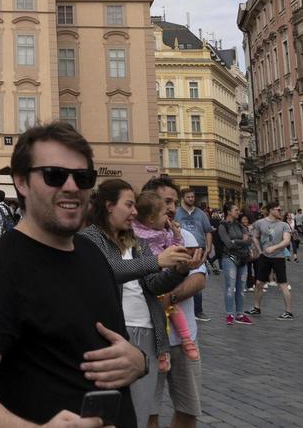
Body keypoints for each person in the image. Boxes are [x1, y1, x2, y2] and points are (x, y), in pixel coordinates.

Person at [0, 122, 145, 428]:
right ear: (22, 182)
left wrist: (139, 361)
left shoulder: (93, 254)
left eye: (82, 177)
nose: (71, 186)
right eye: (54, 175)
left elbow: (112, 346)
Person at [83, 179, 192, 425]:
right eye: (129, 205)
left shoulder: (136, 240)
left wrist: (179, 270)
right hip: (114, 332)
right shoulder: (91, 238)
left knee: (141, 412)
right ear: (110, 206)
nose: (135, 211)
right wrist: (157, 261)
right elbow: (108, 270)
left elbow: (153, 285)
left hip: (148, 330)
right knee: (112, 412)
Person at [144, 176, 207, 428]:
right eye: (165, 201)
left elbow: (198, 280)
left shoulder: (185, 237)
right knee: (148, 411)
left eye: (173, 201)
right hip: (147, 341)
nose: (171, 207)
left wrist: (168, 297)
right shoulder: (136, 241)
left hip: (184, 339)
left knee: (189, 410)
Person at [248, 203, 294, 320]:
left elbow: (287, 240)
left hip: (278, 258)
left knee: (283, 285)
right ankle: (256, 307)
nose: (281, 212)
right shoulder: (260, 223)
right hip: (265, 257)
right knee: (259, 283)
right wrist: (259, 250)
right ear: (271, 210)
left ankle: (288, 312)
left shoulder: (284, 225)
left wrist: (274, 248)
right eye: (279, 210)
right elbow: (254, 236)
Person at [174, 188, 213, 322]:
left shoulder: (201, 214)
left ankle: (198, 310)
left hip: (199, 250)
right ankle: (179, 309)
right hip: (182, 250)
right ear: (182, 198)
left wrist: (208, 248)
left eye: (192, 197)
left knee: (197, 278)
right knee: (181, 279)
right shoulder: (177, 212)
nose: (191, 199)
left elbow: (208, 231)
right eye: (188, 197)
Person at [215, 206, 256, 325]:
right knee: (230, 287)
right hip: (229, 258)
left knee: (241, 288)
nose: (238, 212)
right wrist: (242, 242)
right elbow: (227, 244)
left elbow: (248, 241)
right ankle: (229, 314)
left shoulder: (240, 225)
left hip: (242, 258)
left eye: (238, 210)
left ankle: (240, 314)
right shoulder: (223, 226)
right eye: (236, 210)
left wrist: (237, 242)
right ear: (228, 211)